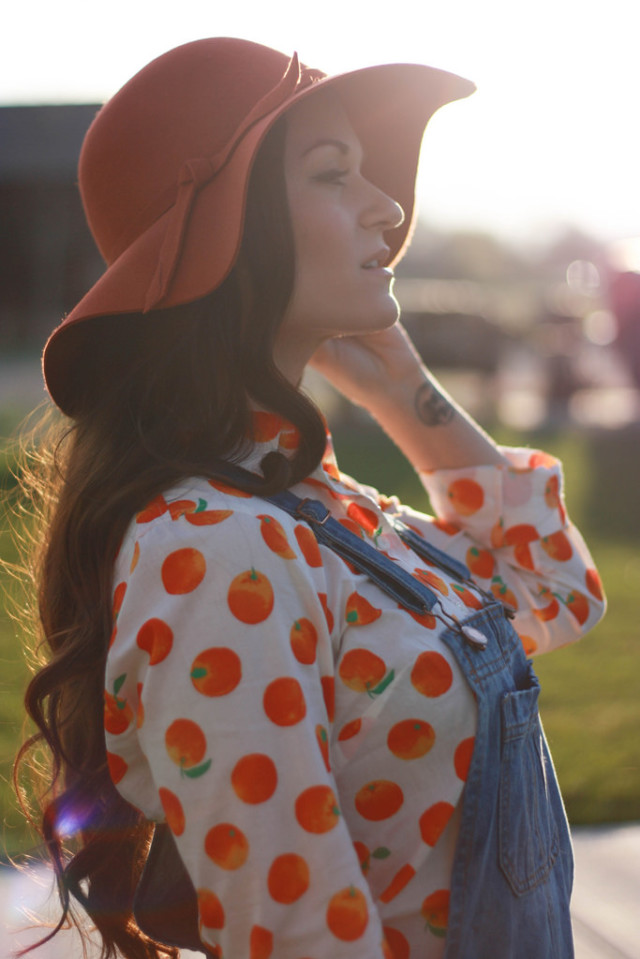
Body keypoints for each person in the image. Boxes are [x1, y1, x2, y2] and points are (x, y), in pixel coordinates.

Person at [17, 37, 606, 959]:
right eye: (336, 175)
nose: (390, 206)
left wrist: (400, 384)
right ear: (226, 237)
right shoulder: (213, 547)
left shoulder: (319, 506)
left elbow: (557, 588)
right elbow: (300, 937)